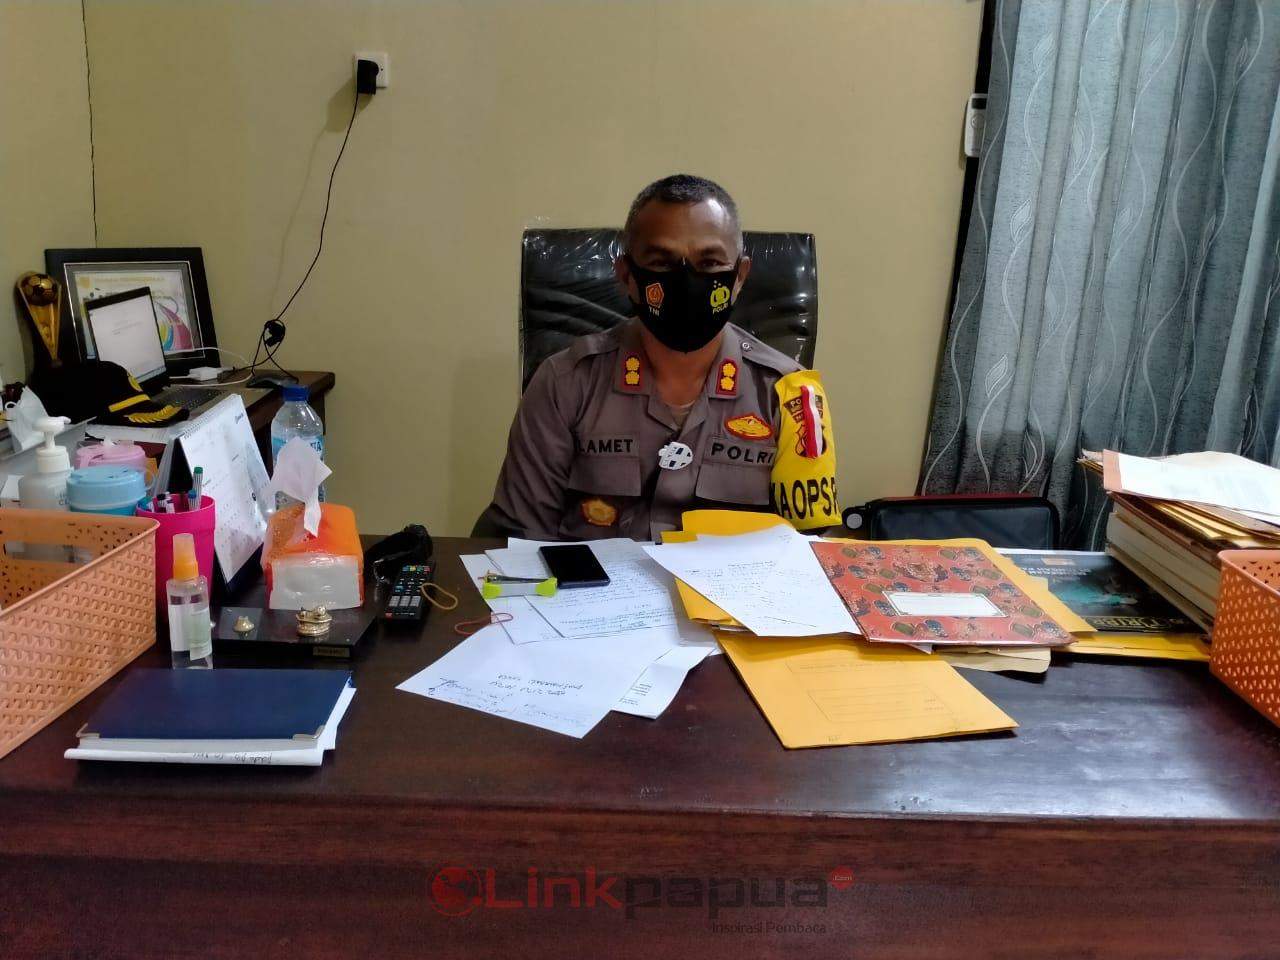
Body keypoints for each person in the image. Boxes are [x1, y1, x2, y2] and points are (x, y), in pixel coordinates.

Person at [479, 174, 838, 541]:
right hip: (595, 579)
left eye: (710, 263)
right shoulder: (564, 382)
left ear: (740, 276)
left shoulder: (790, 396)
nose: (687, 281)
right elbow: (519, 541)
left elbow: (809, 549)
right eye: (662, 263)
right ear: (626, 276)